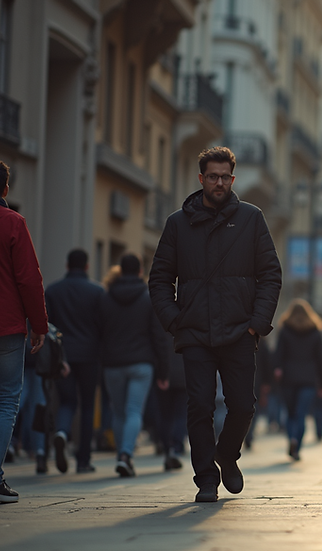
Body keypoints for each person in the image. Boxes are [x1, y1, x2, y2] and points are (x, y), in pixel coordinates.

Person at [149, 146, 282, 503]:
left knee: (243, 405)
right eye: (213, 176)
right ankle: (206, 477)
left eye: (225, 176)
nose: (219, 182)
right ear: (201, 179)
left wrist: (257, 322)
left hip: (240, 330)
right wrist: (174, 320)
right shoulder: (178, 223)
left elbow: (271, 274)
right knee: (200, 407)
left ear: (233, 179)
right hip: (193, 332)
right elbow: (160, 278)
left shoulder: (252, 218)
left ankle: (227, 454)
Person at [0, 160, 48, 503]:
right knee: (8, 400)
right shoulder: (13, 223)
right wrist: (39, 325)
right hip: (6, 328)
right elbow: (29, 278)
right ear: (6, 190)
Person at [99, 253, 170, 477]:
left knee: (118, 412)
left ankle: (122, 453)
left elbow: (99, 332)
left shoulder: (106, 297)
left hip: (112, 363)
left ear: (120, 269)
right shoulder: (148, 297)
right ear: (140, 271)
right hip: (141, 363)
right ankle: (125, 456)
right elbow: (158, 336)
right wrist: (164, 370)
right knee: (133, 411)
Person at [45, 248, 104, 474]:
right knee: (88, 406)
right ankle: (83, 460)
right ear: (87, 266)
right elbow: (102, 325)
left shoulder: (53, 291)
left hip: (63, 356)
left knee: (67, 401)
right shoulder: (97, 292)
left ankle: (61, 432)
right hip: (89, 355)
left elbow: (47, 325)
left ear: (67, 265)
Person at [273, 299, 322, 461]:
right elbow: (321, 360)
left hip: (289, 378)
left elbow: (278, 355)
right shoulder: (315, 331)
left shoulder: (285, 330)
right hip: (308, 379)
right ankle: (297, 444)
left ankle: (291, 438)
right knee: (301, 414)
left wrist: (277, 371)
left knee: (290, 414)